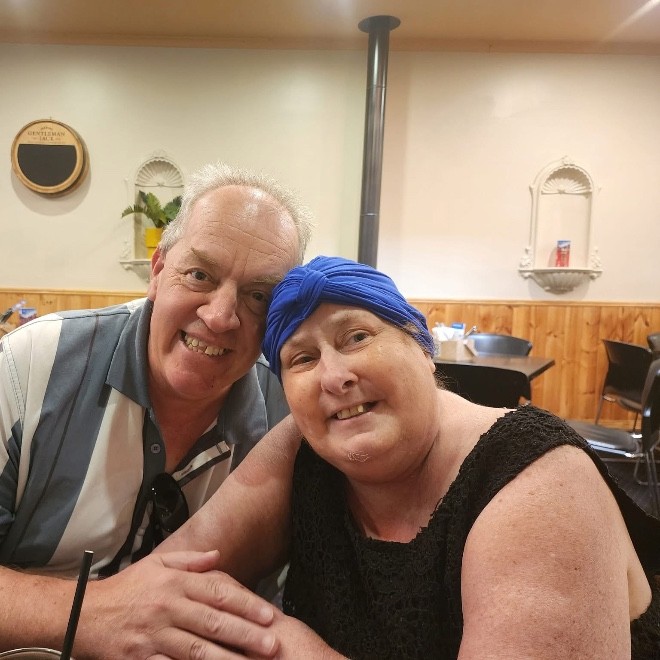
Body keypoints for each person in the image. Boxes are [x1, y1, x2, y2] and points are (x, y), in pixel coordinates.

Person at [162, 255, 660, 659]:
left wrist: (286, 645)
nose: (334, 377)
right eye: (303, 359)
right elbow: (168, 579)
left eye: (357, 337)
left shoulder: (538, 479)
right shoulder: (304, 448)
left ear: (422, 345)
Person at [0, 162, 312, 657]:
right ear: (159, 270)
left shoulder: (295, 408)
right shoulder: (31, 364)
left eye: (258, 296)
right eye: (199, 275)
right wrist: (97, 613)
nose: (220, 317)